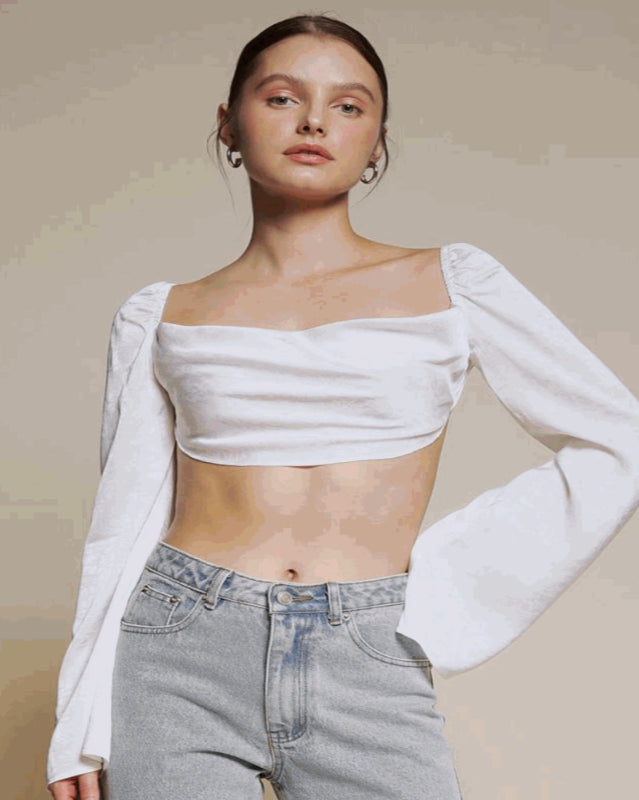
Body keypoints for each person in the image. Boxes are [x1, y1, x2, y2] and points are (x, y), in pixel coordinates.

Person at [46, 12, 639, 800]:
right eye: (281, 98)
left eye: (348, 105)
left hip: (368, 648)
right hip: (177, 650)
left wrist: (452, 578)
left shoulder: (452, 284)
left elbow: (617, 439)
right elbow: (121, 524)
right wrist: (77, 722)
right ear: (228, 125)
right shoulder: (161, 314)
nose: (314, 121)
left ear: (376, 141)